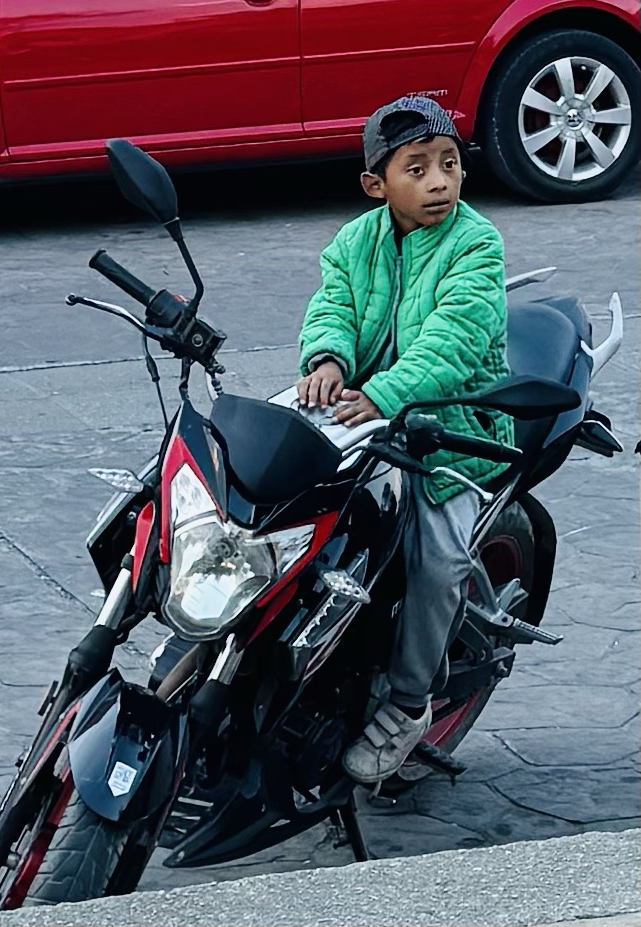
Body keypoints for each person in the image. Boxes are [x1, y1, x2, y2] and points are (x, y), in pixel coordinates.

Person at [297, 95, 514, 785]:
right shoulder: (351, 243)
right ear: (376, 184)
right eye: (416, 169)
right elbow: (331, 308)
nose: (439, 182)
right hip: (363, 419)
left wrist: (384, 396)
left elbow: (452, 345)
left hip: (450, 429)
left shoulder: (476, 243)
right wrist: (327, 360)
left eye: (448, 164)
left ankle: (408, 701)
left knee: (438, 561)